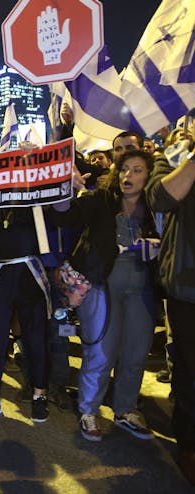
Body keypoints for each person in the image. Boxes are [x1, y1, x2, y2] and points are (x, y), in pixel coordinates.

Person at [49, 150, 160, 442]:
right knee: (101, 352)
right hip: (102, 286)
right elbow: (64, 216)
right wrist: (66, 187)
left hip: (142, 289)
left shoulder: (156, 206)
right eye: (124, 169)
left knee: (136, 352)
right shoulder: (101, 200)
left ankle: (125, 409)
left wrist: (158, 245)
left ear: (149, 176)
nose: (128, 176)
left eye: (137, 171)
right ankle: (88, 409)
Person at [0, 206, 51, 424]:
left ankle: (39, 396)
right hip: (0, 278)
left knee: (35, 340)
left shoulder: (35, 206)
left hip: (29, 276)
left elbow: (47, 240)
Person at [146, 133, 195, 485]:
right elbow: (161, 198)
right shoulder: (169, 161)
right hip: (188, 291)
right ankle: (189, 446)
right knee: (190, 371)